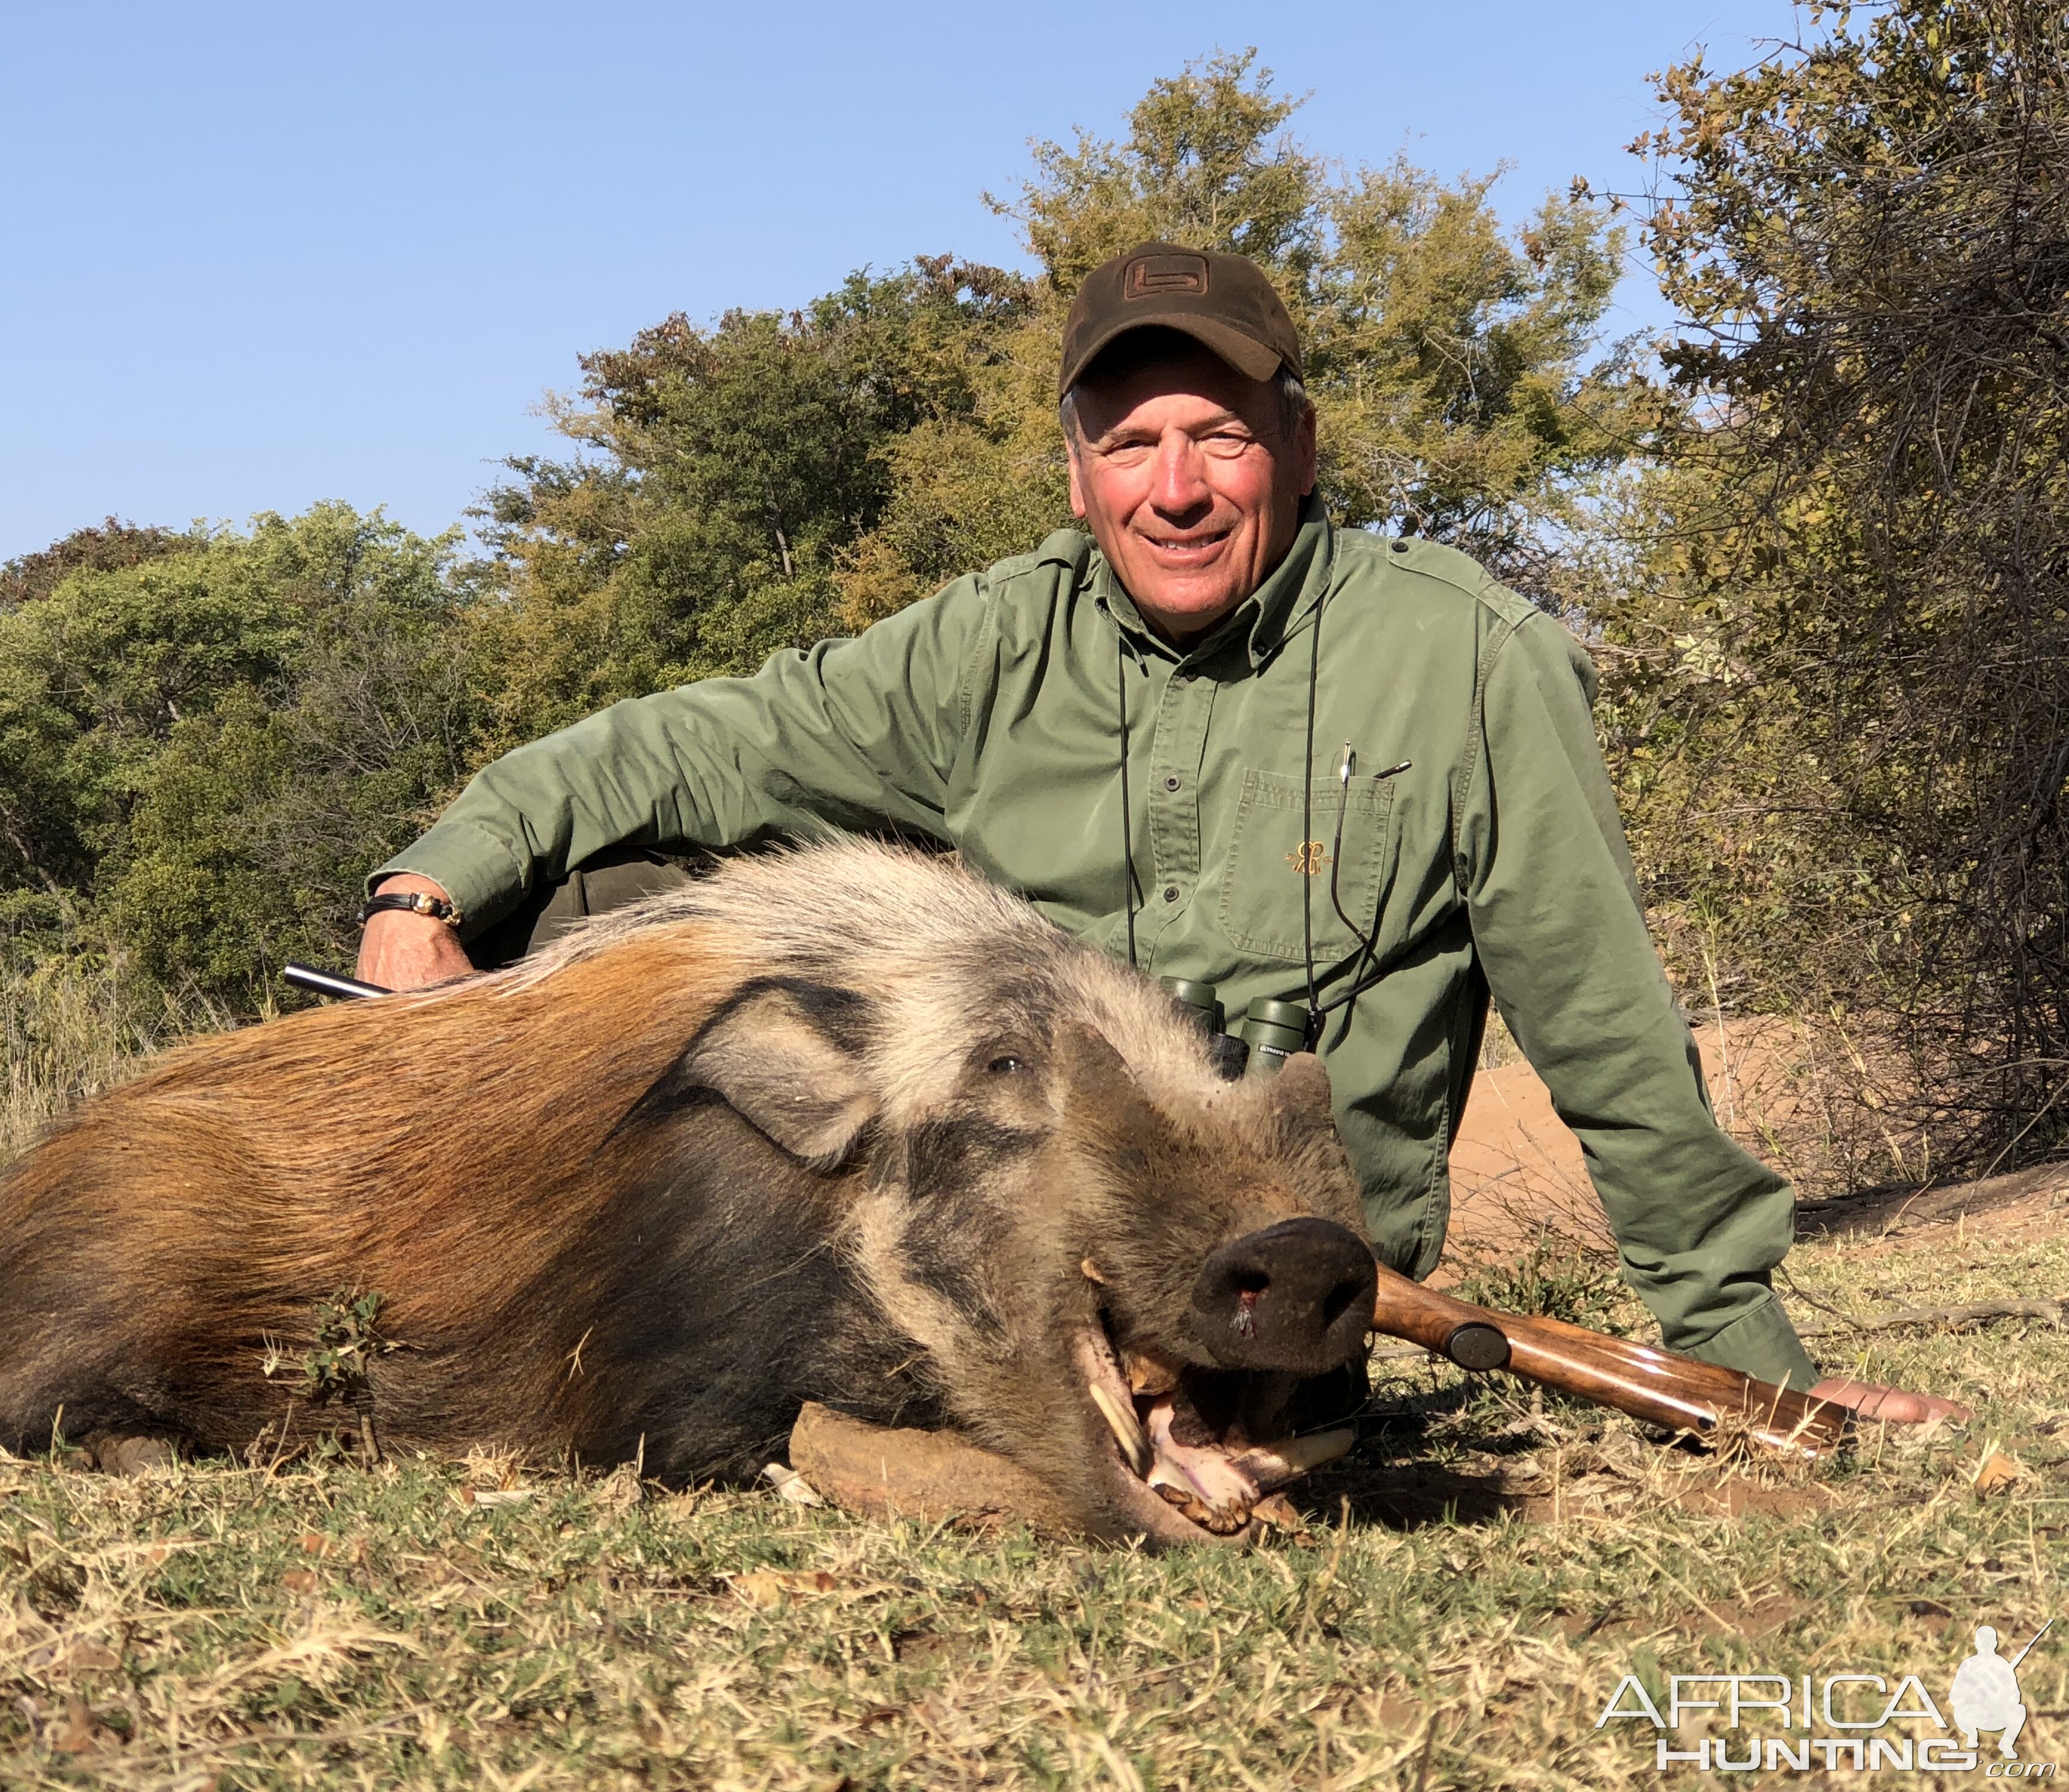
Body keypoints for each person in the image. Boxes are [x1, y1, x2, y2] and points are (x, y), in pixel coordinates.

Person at [360, 242, 1959, 1425]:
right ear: (1076, 475)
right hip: (1030, 1283)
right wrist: (428, 886)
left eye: (1222, 435)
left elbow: (1608, 1035)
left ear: (1303, 450)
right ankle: (452, 1321)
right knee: (592, 902)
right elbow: (689, 747)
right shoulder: (988, 647)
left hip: (1278, 1303)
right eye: (1131, 442)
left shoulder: (1468, 658)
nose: (1177, 488)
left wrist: (1745, 1375)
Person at [1949, 1625, 2028, 1758]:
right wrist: (1971, 1694)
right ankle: (1972, 1736)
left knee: (2020, 1711)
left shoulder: (2002, 1665)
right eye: (1983, 1641)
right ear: (1976, 1643)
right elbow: (1955, 1695)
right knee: (1958, 1711)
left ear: (1995, 1643)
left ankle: (2007, 1743)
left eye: (1989, 1641)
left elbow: (2015, 1696)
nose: (1985, 1645)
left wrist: (2001, 1695)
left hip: (1996, 1715)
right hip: (1974, 1713)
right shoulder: (1968, 1664)